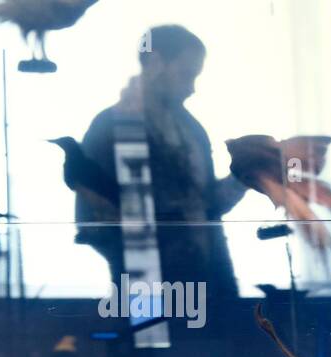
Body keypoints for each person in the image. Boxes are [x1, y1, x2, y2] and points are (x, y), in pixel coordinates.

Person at [77, 25, 245, 299]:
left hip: (209, 284)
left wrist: (245, 176)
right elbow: (93, 221)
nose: (192, 88)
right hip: (147, 290)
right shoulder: (110, 127)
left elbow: (207, 207)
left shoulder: (192, 129)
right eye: (186, 74)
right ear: (155, 62)